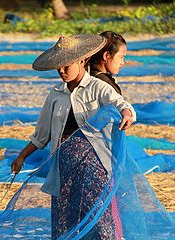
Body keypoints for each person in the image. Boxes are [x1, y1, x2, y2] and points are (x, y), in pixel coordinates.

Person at [11, 34, 136, 239]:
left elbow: (119, 103)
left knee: (99, 217)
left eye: (66, 66)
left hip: (93, 166)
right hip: (63, 167)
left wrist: (127, 113)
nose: (61, 71)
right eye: (58, 67)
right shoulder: (55, 94)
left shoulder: (98, 87)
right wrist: (21, 157)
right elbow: (42, 135)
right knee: (66, 220)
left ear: (82, 61)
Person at [87, 31, 127, 95]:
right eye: (121, 57)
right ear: (106, 56)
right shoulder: (105, 85)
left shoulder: (86, 73)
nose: (123, 63)